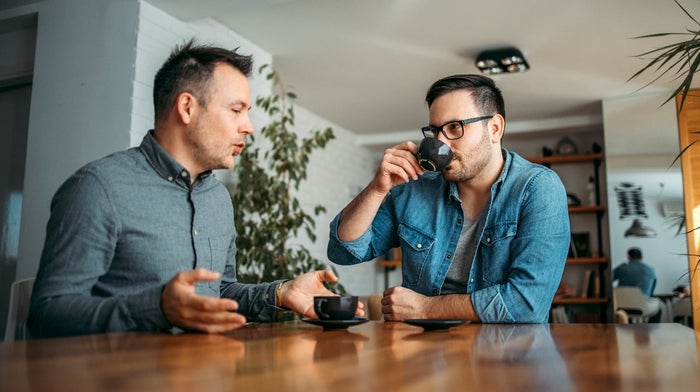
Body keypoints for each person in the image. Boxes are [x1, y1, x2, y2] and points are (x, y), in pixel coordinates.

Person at [28, 40, 360, 338]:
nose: (249, 127)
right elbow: (47, 314)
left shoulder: (217, 199)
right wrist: (156, 307)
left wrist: (280, 293)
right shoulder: (97, 187)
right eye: (236, 110)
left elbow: (220, 292)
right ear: (187, 108)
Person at [327, 74, 570, 323]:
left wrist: (426, 308)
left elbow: (526, 304)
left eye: (455, 127)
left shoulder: (538, 188)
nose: (441, 143)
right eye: (435, 131)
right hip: (418, 351)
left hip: (502, 353)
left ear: (495, 128)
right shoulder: (414, 189)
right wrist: (378, 189)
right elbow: (342, 250)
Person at [613, 247, 662, 322]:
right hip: (643, 306)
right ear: (642, 257)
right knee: (658, 309)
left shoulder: (622, 268)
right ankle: (650, 331)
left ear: (629, 257)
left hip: (622, 306)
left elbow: (608, 280)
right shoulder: (650, 269)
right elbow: (651, 291)